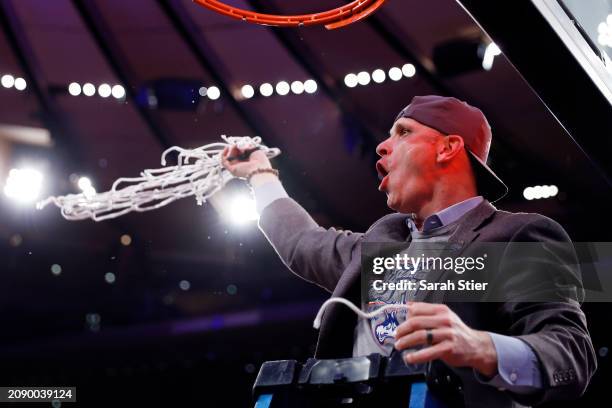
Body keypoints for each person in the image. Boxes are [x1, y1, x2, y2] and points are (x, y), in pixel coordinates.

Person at [222, 95, 596, 407]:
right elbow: (301, 240)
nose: (383, 146)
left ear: (448, 148)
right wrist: (261, 174)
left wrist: (481, 347)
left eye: (403, 133)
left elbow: (570, 353)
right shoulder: (382, 241)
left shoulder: (516, 235)